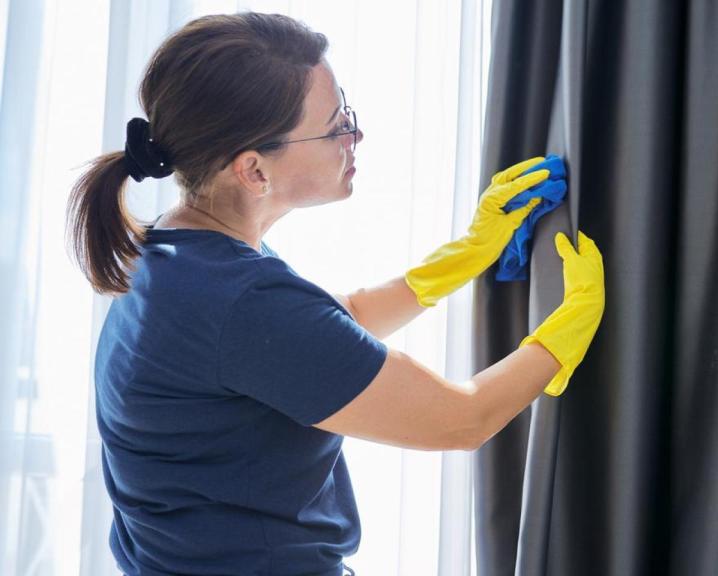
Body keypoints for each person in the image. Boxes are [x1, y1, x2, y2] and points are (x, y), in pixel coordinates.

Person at [64, 12, 605, 576]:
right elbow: (458, 420)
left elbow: (326, 330)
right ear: (253, 170)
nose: (356, 135)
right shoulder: (239, 301)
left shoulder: (178, 256)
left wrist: (465, 256)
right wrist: (569, 328)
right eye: (335, 125)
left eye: (346, 109)